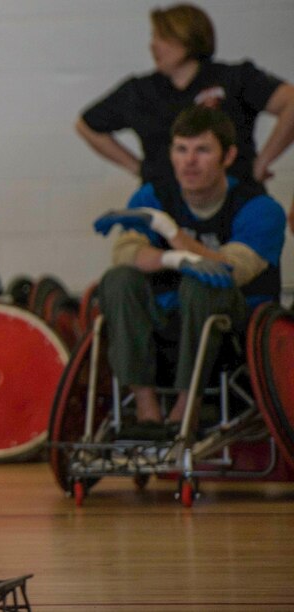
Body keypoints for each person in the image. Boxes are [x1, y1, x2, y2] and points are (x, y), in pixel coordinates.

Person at [92, 106, 284, 438]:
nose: (189, 161)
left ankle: (186, 408)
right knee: (118, 279)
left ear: (228, 156)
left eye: (203, 150)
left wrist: (172, 236)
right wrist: (173, 260)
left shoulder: (259, 207)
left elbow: (230, 270)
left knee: (202, 285)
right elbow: (124, 252)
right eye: (181, 149)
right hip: (165, 320)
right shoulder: (153, 195)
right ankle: (146, 409)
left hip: (232, 327)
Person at [76, 3, 294, 186]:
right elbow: (86, 125)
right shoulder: (140, 90)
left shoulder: (233, 78)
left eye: (162, 37)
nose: (153, 45)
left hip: (233, 197)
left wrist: (263, 161)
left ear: (187, 38)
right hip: (167, 201)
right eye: (153, 37)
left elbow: (291, 101)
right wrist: (139, 169)